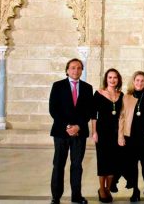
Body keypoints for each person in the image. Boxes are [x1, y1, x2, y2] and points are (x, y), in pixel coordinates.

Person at [49, 58, 93, 204]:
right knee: (58, 164)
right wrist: (67, 126)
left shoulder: (87, 88)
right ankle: (56, 196)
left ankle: (76, 196)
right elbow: (53, 109)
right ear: (67, 70)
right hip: (61, 132)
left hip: (79, 133)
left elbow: (88, 111)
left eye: (79, 68)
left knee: (77, 165)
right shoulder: (58, 86)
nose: (76, 70)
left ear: (82, 70)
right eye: (73, 68)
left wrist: (78, 126)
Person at [118, 71, 144, 203]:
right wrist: (120, 136)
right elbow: (122, 118)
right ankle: (135, 190)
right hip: (131, 138)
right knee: (132, 166)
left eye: (142, 81)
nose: (139, 83)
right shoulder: (126, 97)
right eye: (137, 80)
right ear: (133, 81)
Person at [91, 68, 124, 203]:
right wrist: (94, 132)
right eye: (110, 77)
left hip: (116, 133)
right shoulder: (98, 93)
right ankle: (101, 189)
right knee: (103, 161)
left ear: (118, 79)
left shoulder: (121, 95)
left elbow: (123, 115)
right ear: (106, 79)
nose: (112, 80)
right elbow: (94, 115)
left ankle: (108, 188)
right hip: (102, 132)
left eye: (115, 77)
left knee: (114, 162)